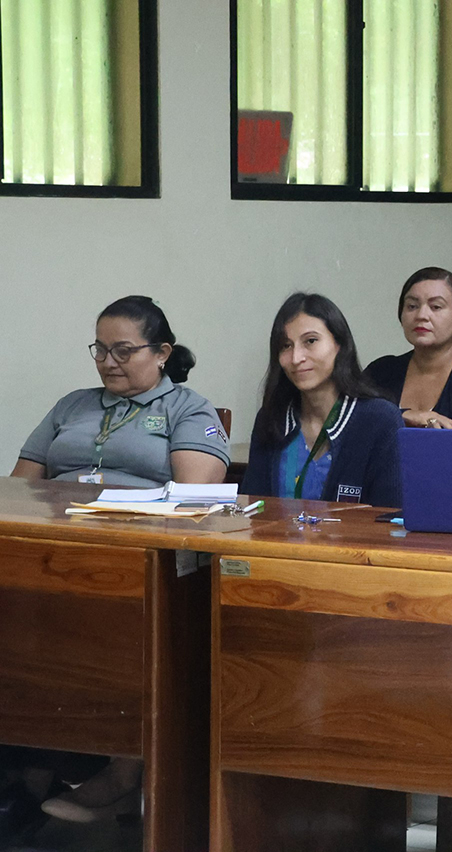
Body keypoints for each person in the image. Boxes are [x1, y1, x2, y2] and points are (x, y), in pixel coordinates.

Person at [6, 295, 229, 836]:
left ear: (162, 352)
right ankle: (28, 769)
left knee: (116, 640)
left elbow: (194, 501)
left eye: (123, 350)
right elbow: (18, 487)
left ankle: (123, 770)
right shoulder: (72, 405)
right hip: (54, 554)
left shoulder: (188, 409)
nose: (108, 361)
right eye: (100, 349)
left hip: (134, 559)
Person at [242, 293, 403, 507]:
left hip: (354, 541)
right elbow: (253, 511)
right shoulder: (272, 418)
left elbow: (389, 518)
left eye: (310, 341)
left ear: (339, 345)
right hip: (276, 540)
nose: (296, 358)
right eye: (285, 346)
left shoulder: (380, 420)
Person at [364, 267, 452, 429]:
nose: (422, 315)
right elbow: (347, 419)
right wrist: (402, 415)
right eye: (412, 306)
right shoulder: (381, 370)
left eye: (436, 307)